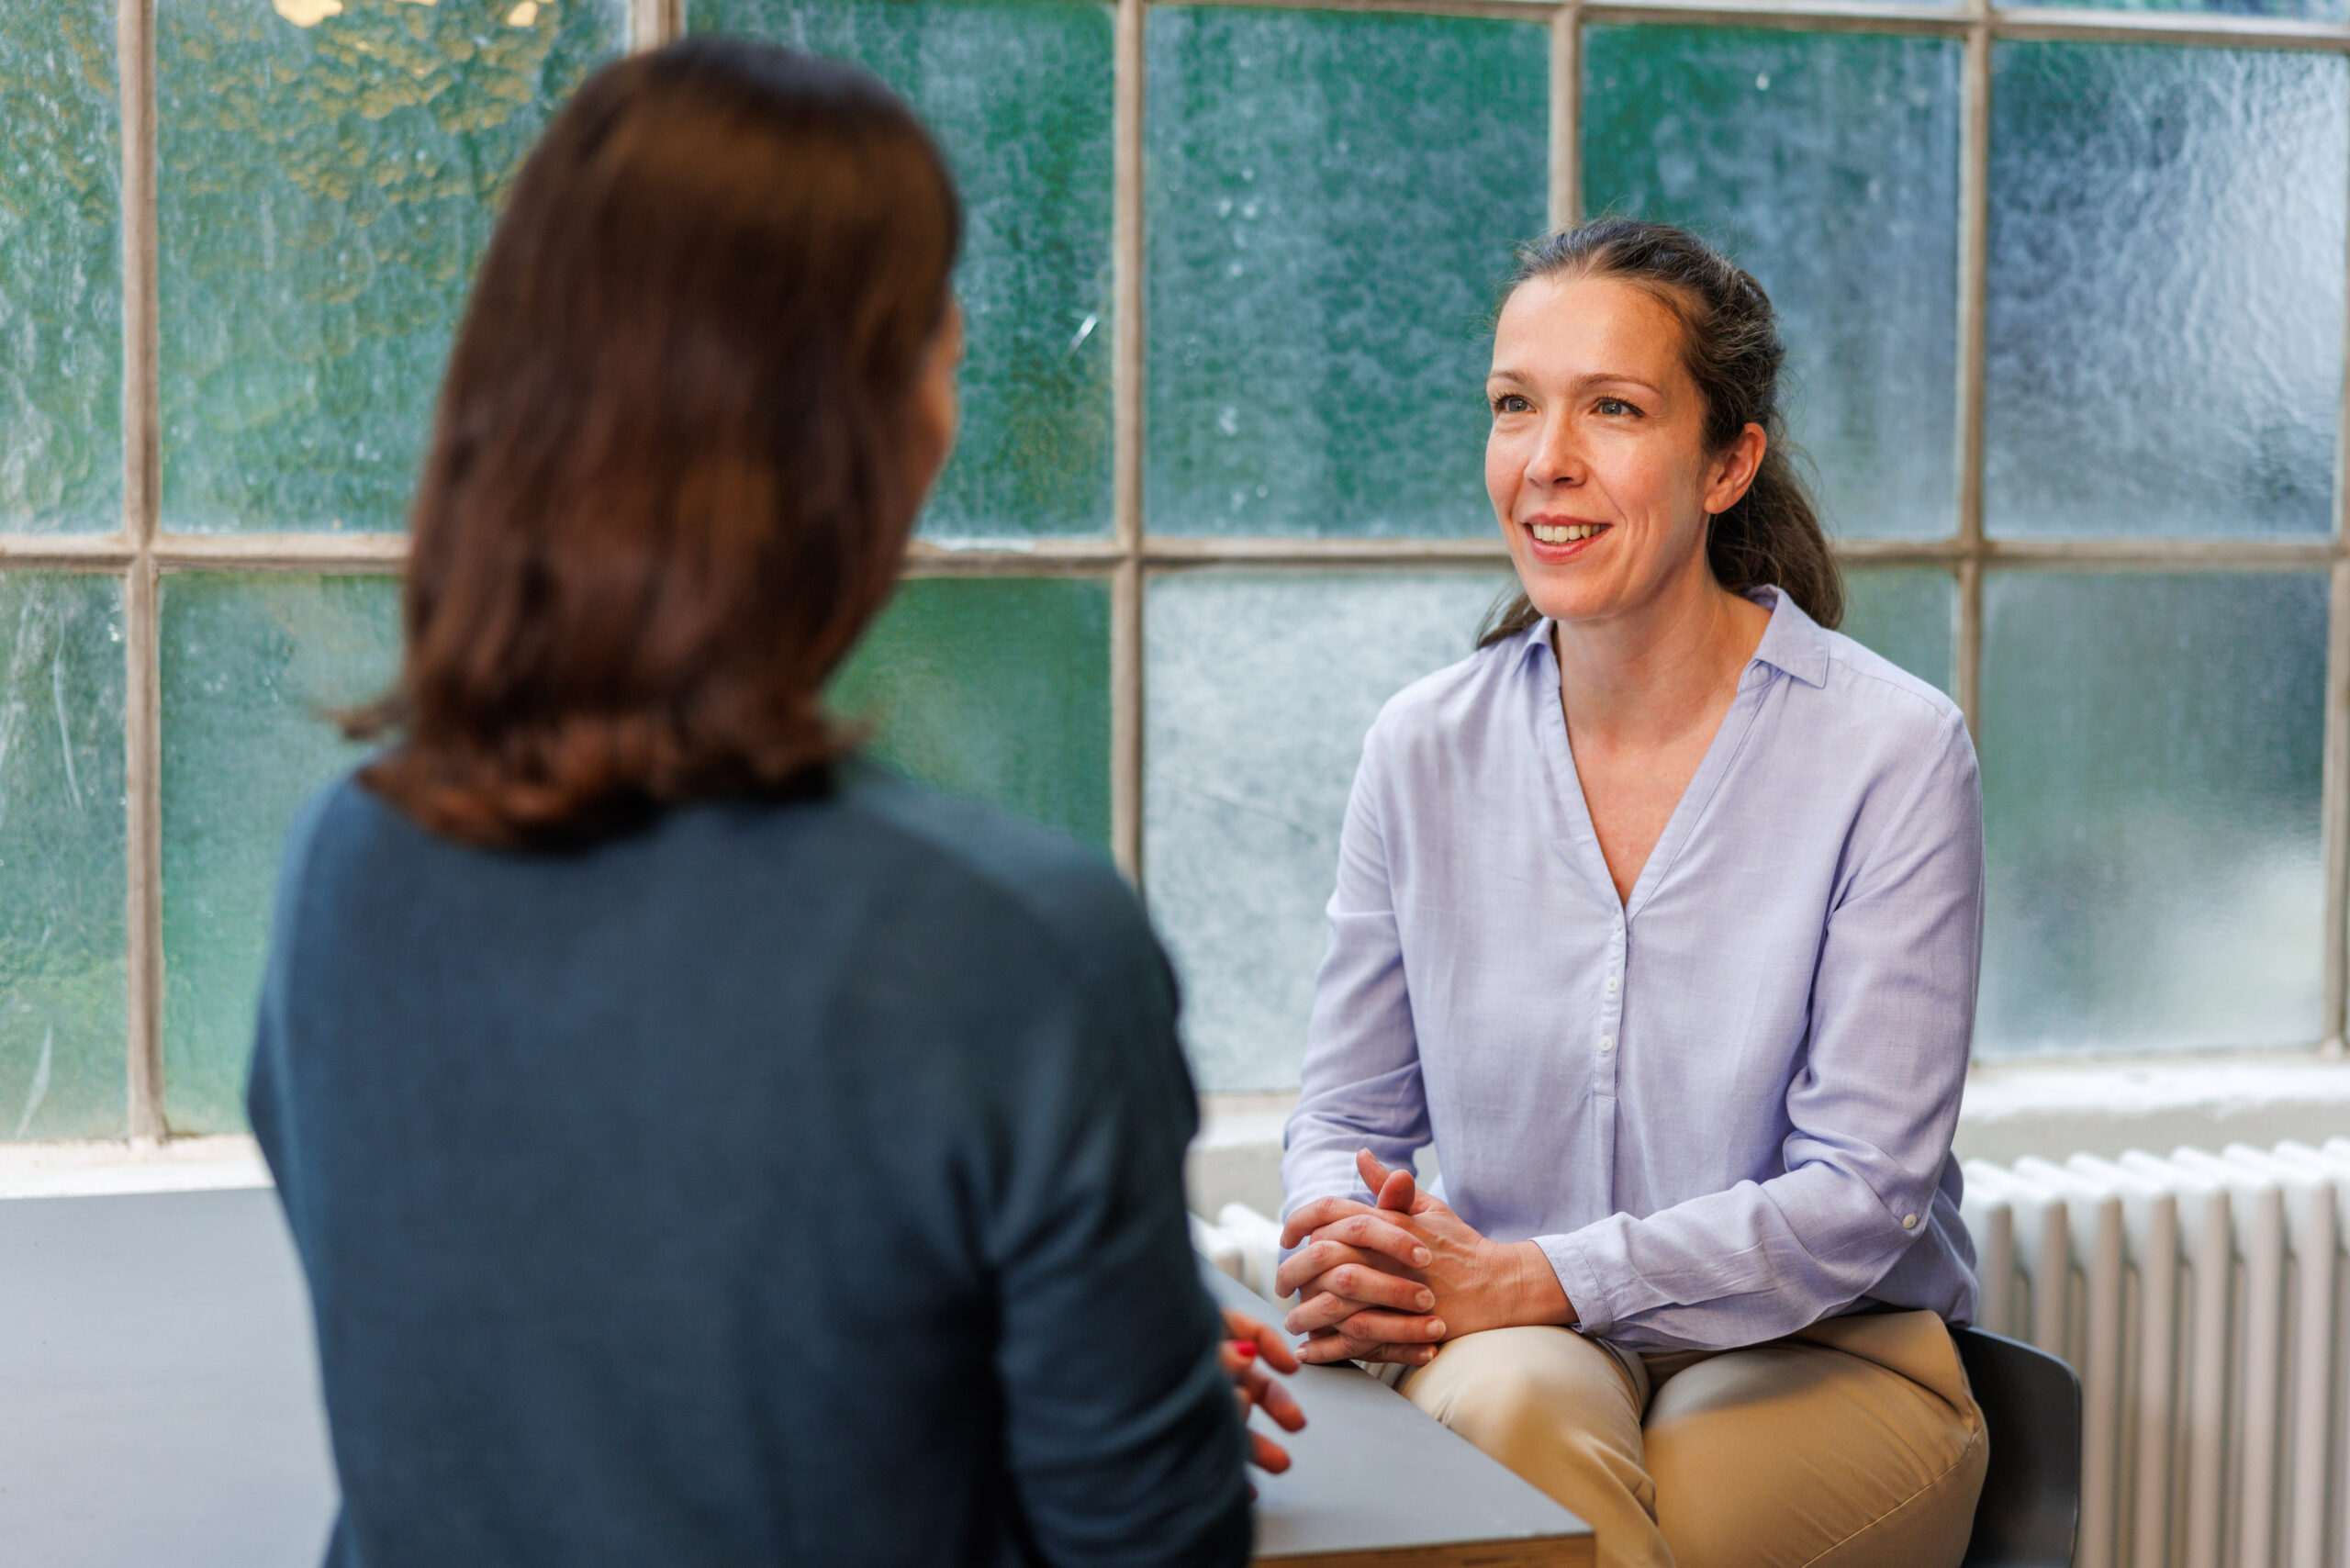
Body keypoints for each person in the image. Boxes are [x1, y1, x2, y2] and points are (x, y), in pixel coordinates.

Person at [245, 39, 1297, 1568]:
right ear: (865, 425)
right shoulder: (1012, 949)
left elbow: (563, 1368)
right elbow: (1152, 1550)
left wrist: (1046, 1354)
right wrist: (1108, 1386)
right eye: (941, 336)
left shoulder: (347, 861)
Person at [1276, 218, 1988, 1568]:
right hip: (1516, 1340)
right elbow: (1348, 1117)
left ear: (1729, 463)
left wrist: (1538, 1275)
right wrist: (1345, 1235)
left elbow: (1862, 1192)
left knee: (1701, 1491)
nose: (1548, 461)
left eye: (1613, 408)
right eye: (1512, 407)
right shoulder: (1422, 750)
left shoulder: (1891, 751)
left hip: (1831, 1351)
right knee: (1511, 1410)